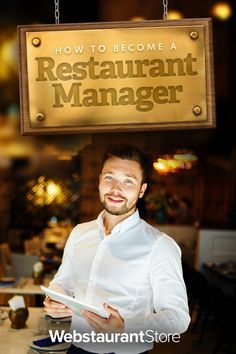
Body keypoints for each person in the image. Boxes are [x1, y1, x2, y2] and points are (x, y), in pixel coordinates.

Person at [44, 144, 190, 354]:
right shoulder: (79, 232)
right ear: (100, 181)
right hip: (77, 348)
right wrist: (54, 298)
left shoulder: (161, 246)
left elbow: (177, 318)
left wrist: (126, 328)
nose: (115, 189)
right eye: (109, 178)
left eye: (128, 181)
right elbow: (62, 282)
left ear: (142, 190)